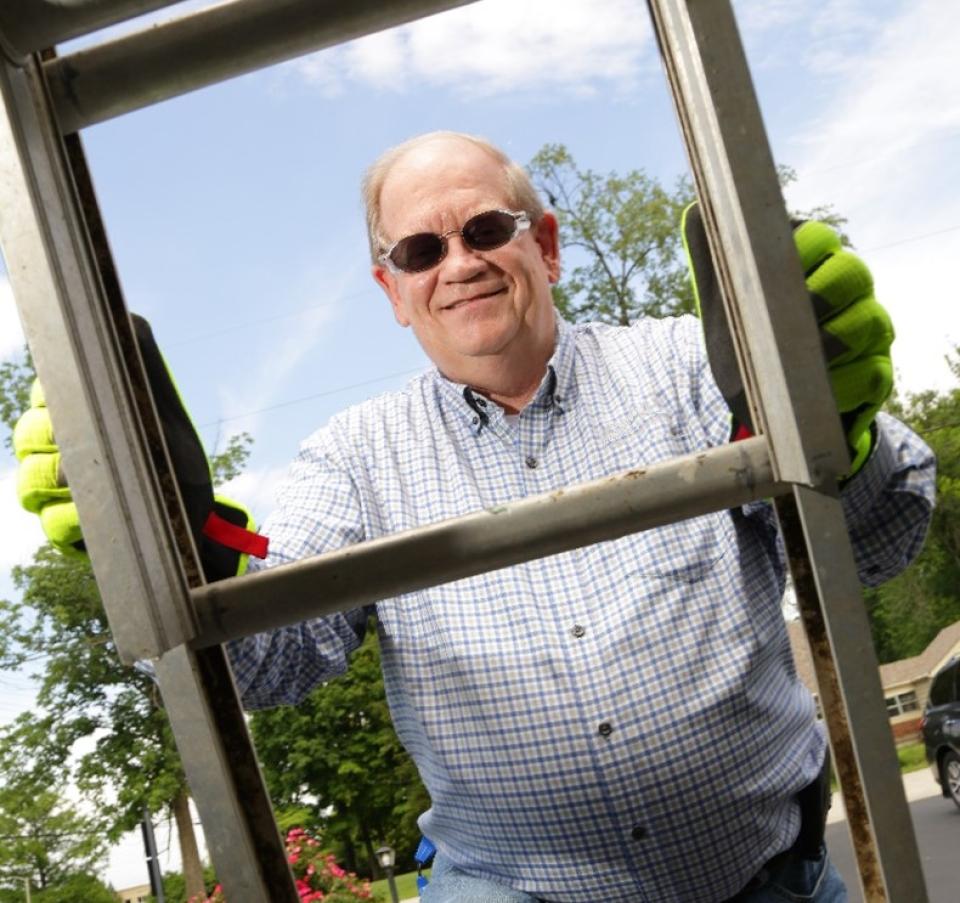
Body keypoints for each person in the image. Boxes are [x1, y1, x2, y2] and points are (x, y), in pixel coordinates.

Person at [15, 131, 935, 902]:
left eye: (486, 229)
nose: (458, 264)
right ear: (392, 291)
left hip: (768, 879)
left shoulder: (689, 368)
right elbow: (266, 663)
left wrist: (836, 440)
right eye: (420, 250)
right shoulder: (356, 458)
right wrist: (168, 541)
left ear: (547, 245)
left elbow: (877, 548)